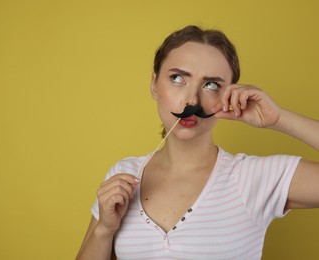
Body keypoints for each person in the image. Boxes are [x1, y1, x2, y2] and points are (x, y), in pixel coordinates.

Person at [76, 25, 319, 259]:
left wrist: (279, 119)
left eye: (210, 85)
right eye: (178, 78)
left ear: (230, 95)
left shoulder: (254, 178)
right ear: (154, 84)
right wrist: (104, 230)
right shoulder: (123, 174)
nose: (192, 100)